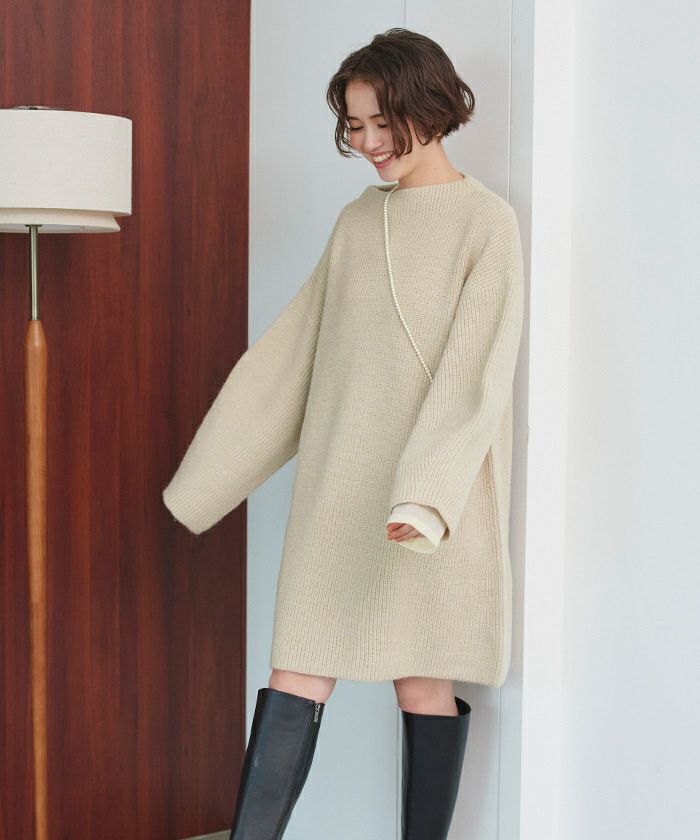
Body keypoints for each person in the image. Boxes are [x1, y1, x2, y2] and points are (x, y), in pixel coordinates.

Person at [162, 27, 525, 840]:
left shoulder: (486, 225)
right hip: (338, 489)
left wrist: (424, 500)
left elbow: (476, 378)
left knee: (422, 683)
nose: (366, 143)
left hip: (424, 504)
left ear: (429, 105)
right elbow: (293, 354)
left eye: (380, 123)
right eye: (353, 126)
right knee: (296, 668)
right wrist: (209, 477)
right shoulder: (359, 222)